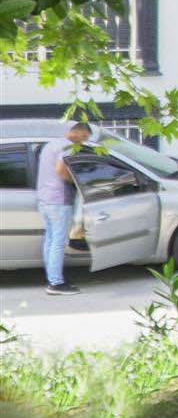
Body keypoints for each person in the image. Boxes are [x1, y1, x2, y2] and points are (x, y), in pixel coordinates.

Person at [34, 115, 86, 294]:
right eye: (84, 136)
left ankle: (52, 277)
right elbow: (61, 170)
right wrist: (76, 182)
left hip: (45, 199)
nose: (84, 140)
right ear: (76, 131)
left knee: (50, 239)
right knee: (58, 241)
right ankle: (56, 283)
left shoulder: (50, 145)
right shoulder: (67, 147)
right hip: (60, 200)